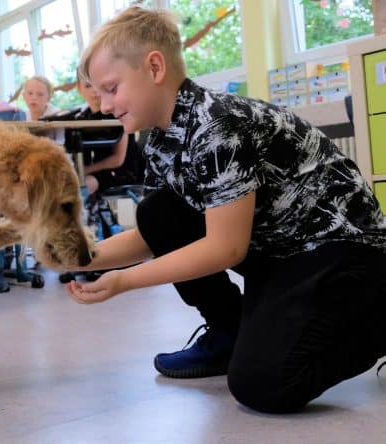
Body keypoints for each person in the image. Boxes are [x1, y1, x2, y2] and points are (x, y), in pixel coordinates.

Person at [65, 6, 386, 414]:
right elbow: (154, 236)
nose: (104, 105)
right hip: (279, 250)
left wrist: (123, 282)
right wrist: (77, 258)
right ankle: (227, 334)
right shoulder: (161, 140)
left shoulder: (216, 125)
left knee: (263, 384)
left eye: (112, 88)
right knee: (157, 212)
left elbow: (225, 249)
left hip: (339, 251)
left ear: (155, 67)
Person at [74, 72, 140, 194]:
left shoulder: (118, 112)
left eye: (97, 85)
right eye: (88, 86)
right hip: (97, 172)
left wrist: (86, 170)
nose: (94, 90)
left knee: (78, 188)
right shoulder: (82, 117)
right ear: (79, 88)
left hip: (122, 172)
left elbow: (118, 159)